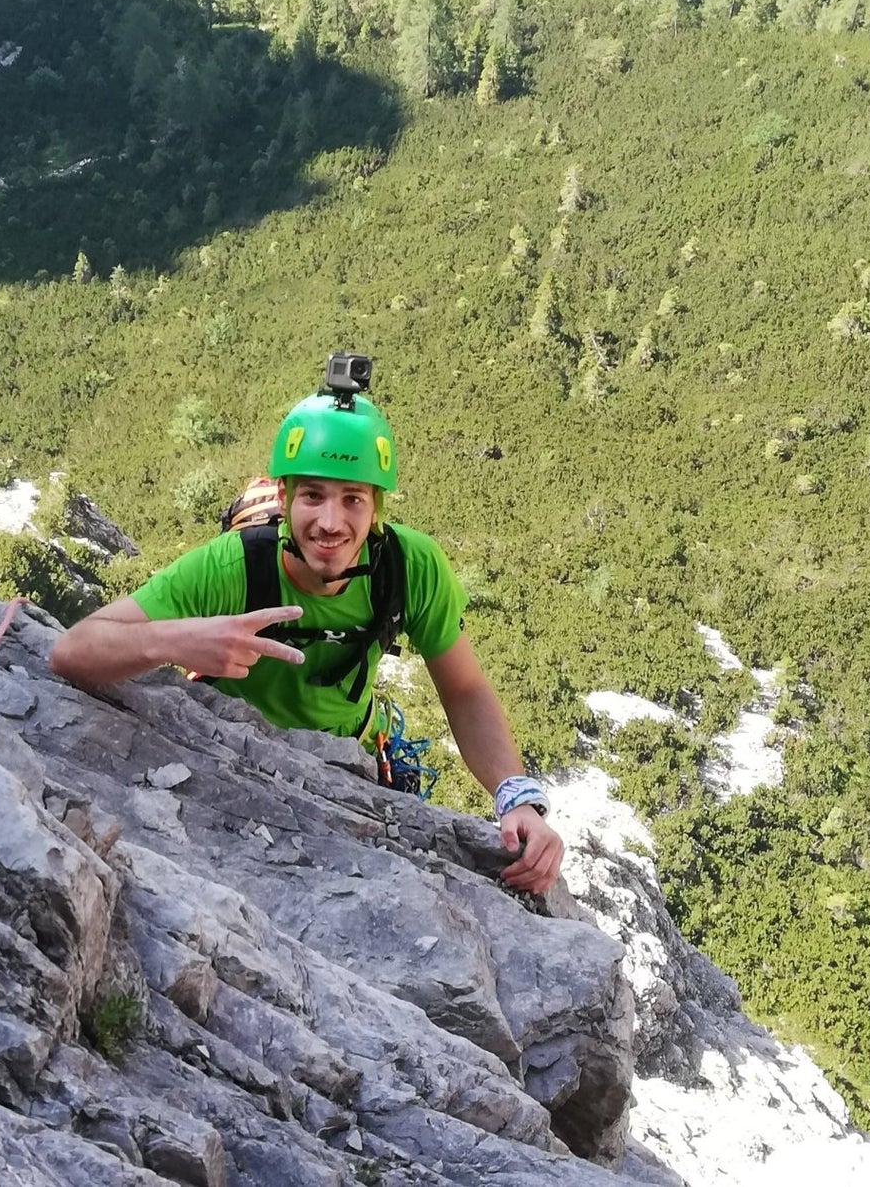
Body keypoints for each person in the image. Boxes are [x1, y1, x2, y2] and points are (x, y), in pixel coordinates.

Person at [48, 361, 565, 894]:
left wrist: (516, 797)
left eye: (353, 499)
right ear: (284, 497)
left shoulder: (408, 569)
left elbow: (465, 688)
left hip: (344, 766)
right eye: (312, 495)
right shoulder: (235, 567)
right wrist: (179, 639)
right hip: (224, 756)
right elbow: (73, 650)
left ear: (376, 508)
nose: (330, 523)